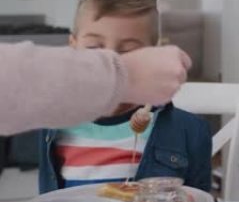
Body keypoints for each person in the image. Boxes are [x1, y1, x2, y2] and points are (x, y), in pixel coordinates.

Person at [38, 0, 211, 193]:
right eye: (93, 48)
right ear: (73, 47)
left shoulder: (190, 132)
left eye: (128, 52)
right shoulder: (55, 123)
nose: (109, 63)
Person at [0, 42, 191, 136]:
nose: (110, 51)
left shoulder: (183, 126)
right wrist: (125, 75)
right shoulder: (56, 133)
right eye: (94, 46)